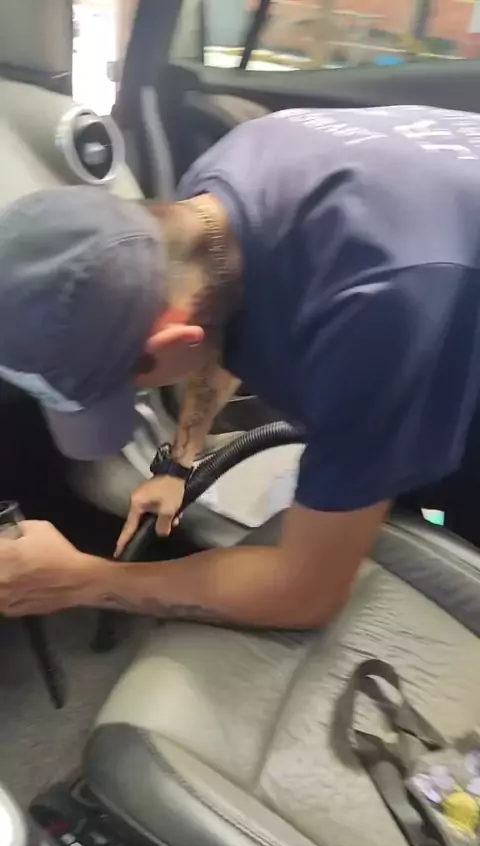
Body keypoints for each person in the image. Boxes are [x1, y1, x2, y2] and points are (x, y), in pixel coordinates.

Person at [1, 103, 480, 626]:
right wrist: (181, 463)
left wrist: (84, 579)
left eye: (125, 385)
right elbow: (219, 321)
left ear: (173, 339)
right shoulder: (213, 195)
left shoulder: (377, 310)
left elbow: (305, 594)